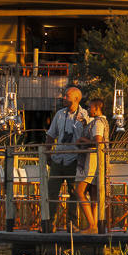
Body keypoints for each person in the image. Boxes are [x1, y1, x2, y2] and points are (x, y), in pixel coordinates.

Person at [42, 86, 87, 230]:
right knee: (52, 191)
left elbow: (89, 137)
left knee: (73, 193)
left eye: (67, 96)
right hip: (58, 158)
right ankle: (49, 223)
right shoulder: (60, 114)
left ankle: (71, 223)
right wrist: (48, 153)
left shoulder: (85, 116)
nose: (64, 98)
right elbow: (51, 135)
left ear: (76, 98)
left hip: (74, 159)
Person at [74, 96, 111, 232]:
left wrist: (82, 140)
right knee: (94, 195)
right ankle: (94, 225)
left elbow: (98, 141)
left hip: (92, 161)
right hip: (98, 161)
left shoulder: (98, 123)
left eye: (90, 107)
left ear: (96, 108)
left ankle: (92, 224)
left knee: (79, 191)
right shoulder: (100, 122)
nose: (88, 109)